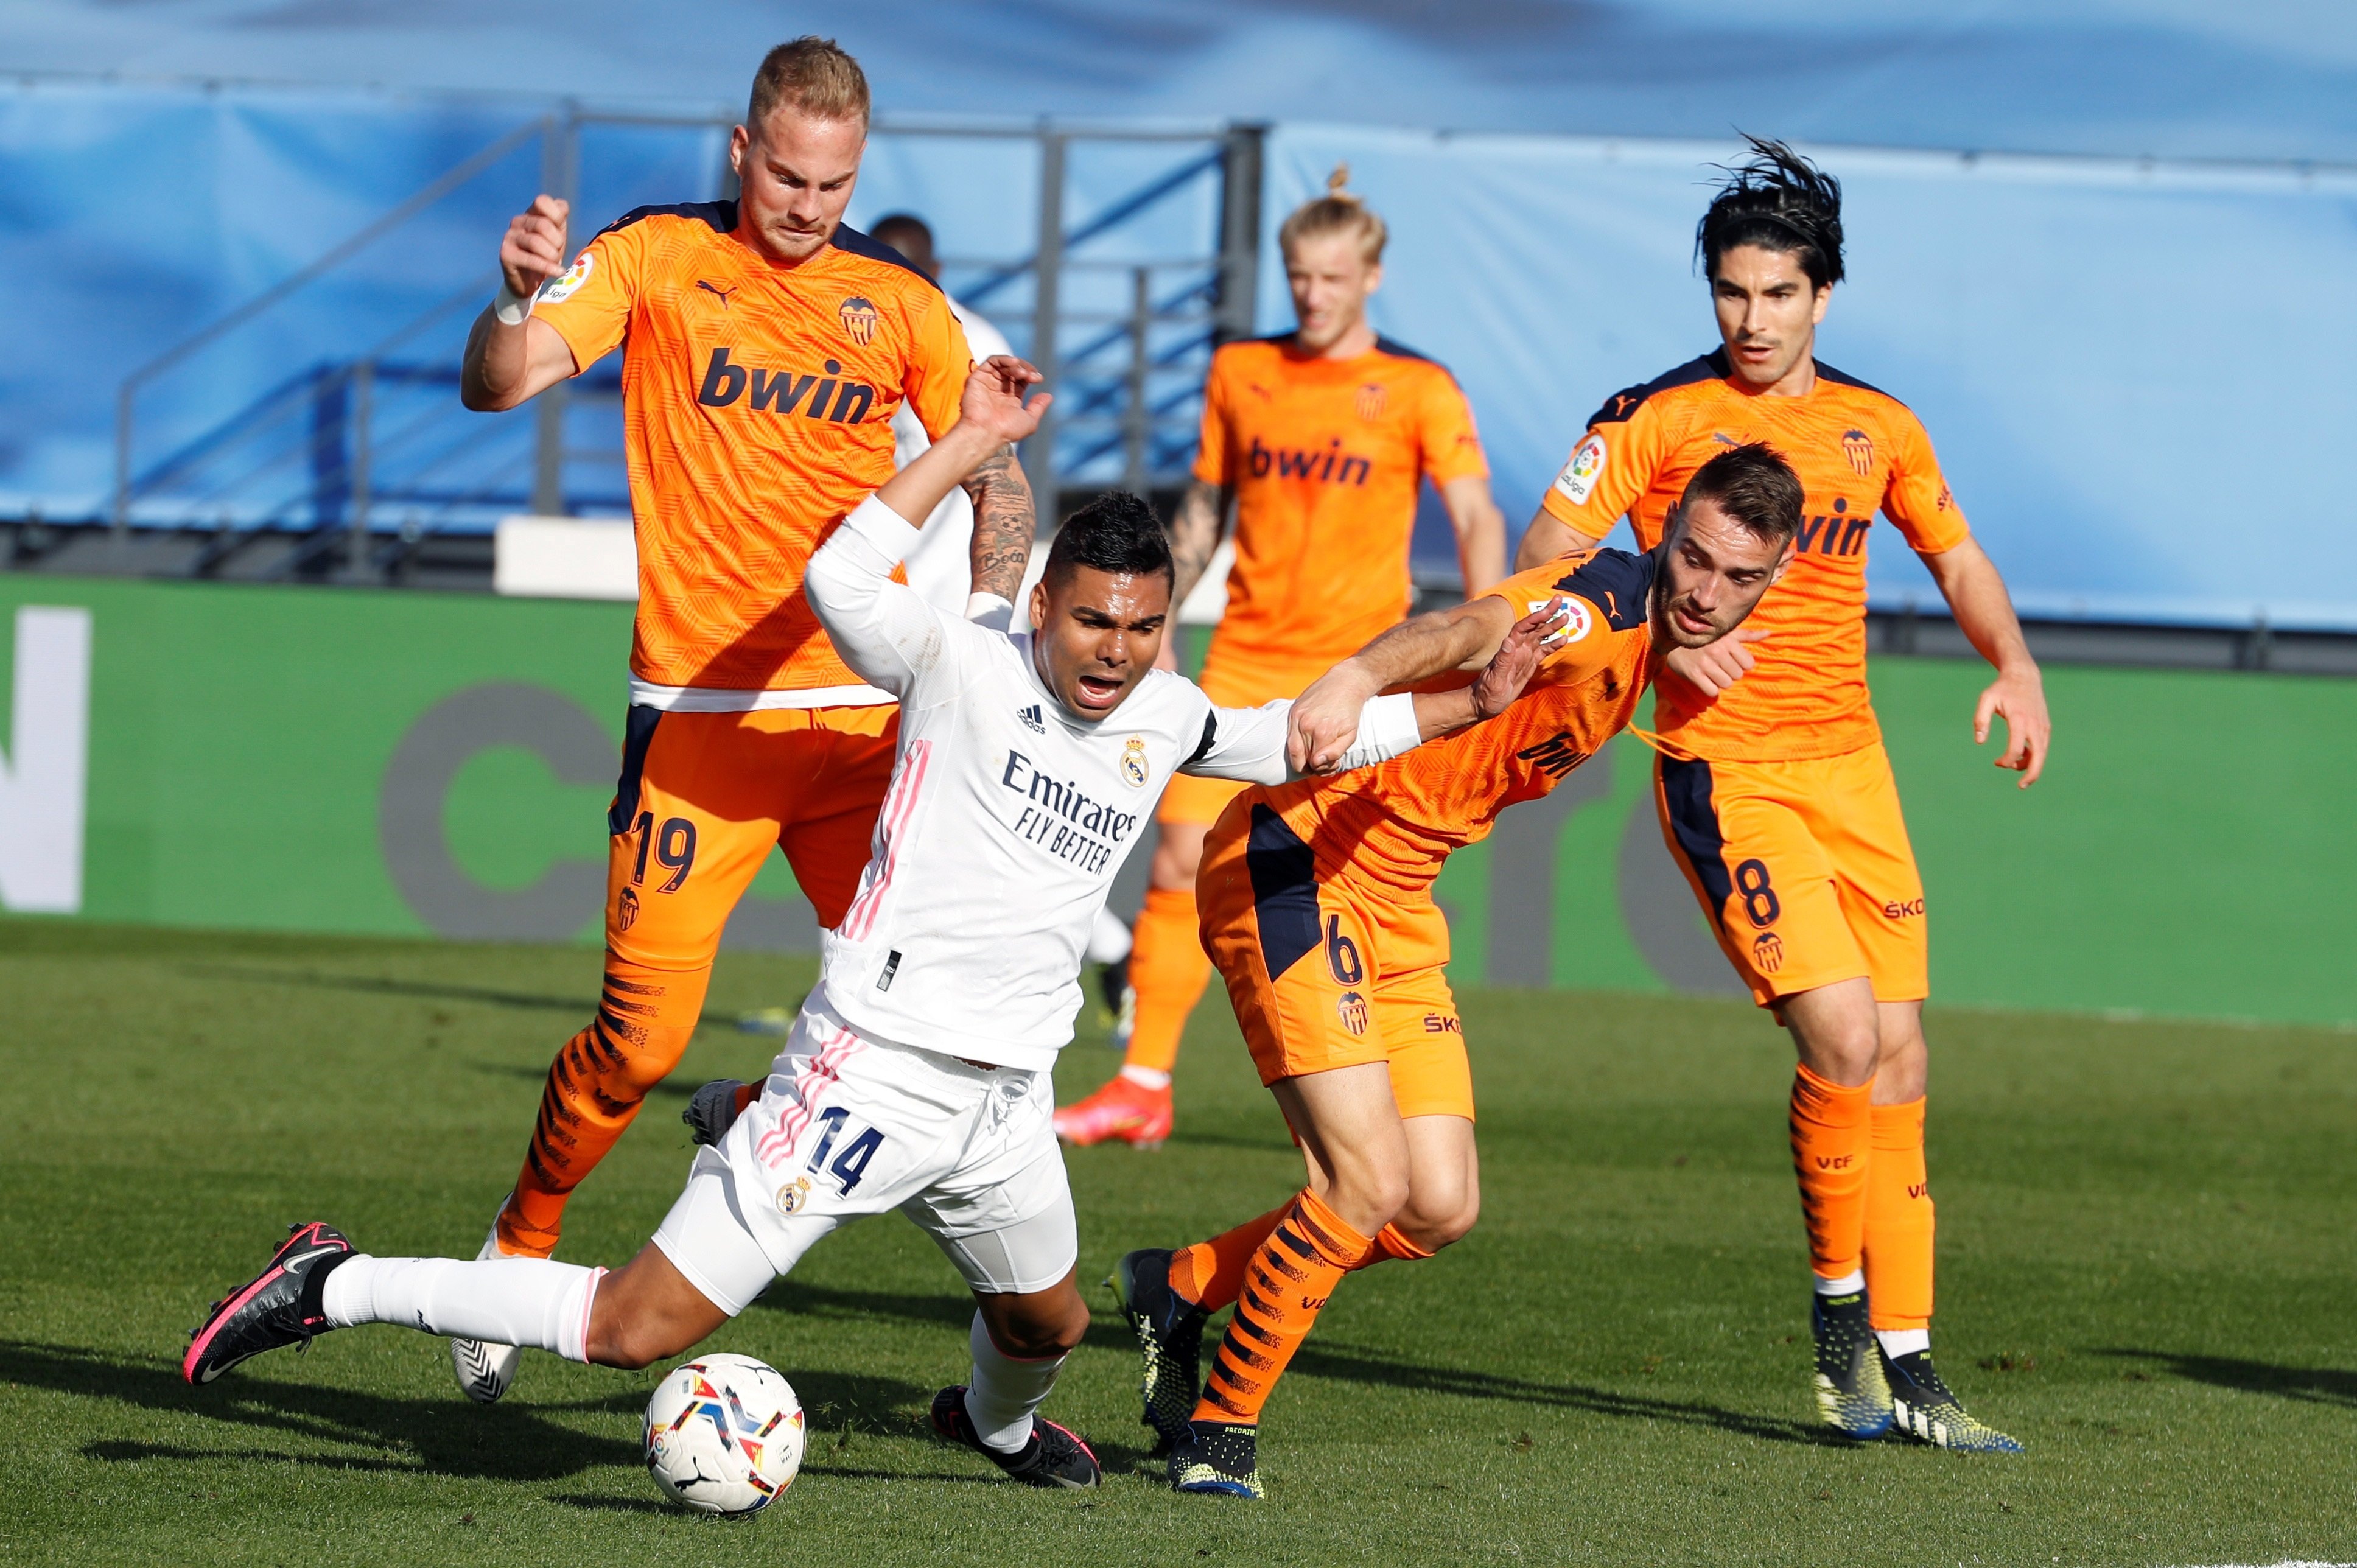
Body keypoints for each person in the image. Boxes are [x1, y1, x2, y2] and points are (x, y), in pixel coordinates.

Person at [181, 357, 1555, 1492]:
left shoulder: (1161, 711)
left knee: (1048, 1321)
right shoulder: (961, 659)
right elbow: (845, 579)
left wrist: (1474, 700)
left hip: (1005, 1094)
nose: (1113, 650)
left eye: (1139, 627)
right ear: (1043, 605)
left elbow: (1307, 741)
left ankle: (992, 1423)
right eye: (1090, 621)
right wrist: (962, 443)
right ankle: (335, 1280)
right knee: (631, 1330)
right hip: (874, 1066)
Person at [443, 37, 1037, 1405]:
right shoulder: (652, 257)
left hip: (862, 731)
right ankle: (521, 1241)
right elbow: (501, 379)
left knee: (953, 1024)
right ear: (740, 150)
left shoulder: (896, 299)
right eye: (786, 174)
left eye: (833, 182)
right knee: (635, 1045)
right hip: (701, 726)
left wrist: (990, 632)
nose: (808, 205)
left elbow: (996, 483)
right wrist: (509, 299)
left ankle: (1003, 1380)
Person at [1113, 443, 1805, 1498]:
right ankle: (1220, 1432)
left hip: (1397, 901)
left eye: (1739, 577)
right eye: (1695, 559)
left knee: (1434, 1206)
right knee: (1364, 1183)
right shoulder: (1606, 604)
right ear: (1665, 535)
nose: (1707, 591)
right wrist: (1352, 676)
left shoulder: (1660, 637)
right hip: (1300, 864)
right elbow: (1469, 626)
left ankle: (1182, 1283)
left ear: (1778, 576)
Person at [1515, 138, 2051, 1452]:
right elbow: (1541, 562)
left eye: (1776, 295)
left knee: (1907, 1054)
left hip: (1850, 773)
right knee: (1845, 1044)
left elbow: (1957, 549)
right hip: (1726, 771)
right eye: (1730, 293)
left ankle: (1915, 1369)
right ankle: (1834, 1343)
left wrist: (2016, 663)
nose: (1749, 320)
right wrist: (1663, 633)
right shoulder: (1655, 417)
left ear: (1824, 297)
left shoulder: (1878, 426)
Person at [1056, 167, 1509, 1149]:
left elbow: (1476, 511)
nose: (1313, 294)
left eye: (1333, 278)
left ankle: (1365, 1092)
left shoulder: (1421, 389)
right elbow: (1206, 508)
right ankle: (1142, 1083)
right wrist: (1161, 617)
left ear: (1372, 278)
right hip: (1247, 655)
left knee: (1348, 876)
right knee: (1177, 856)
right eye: (1299, 276)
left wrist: (1491, 630)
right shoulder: (1241, 372)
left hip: (1361, 672)